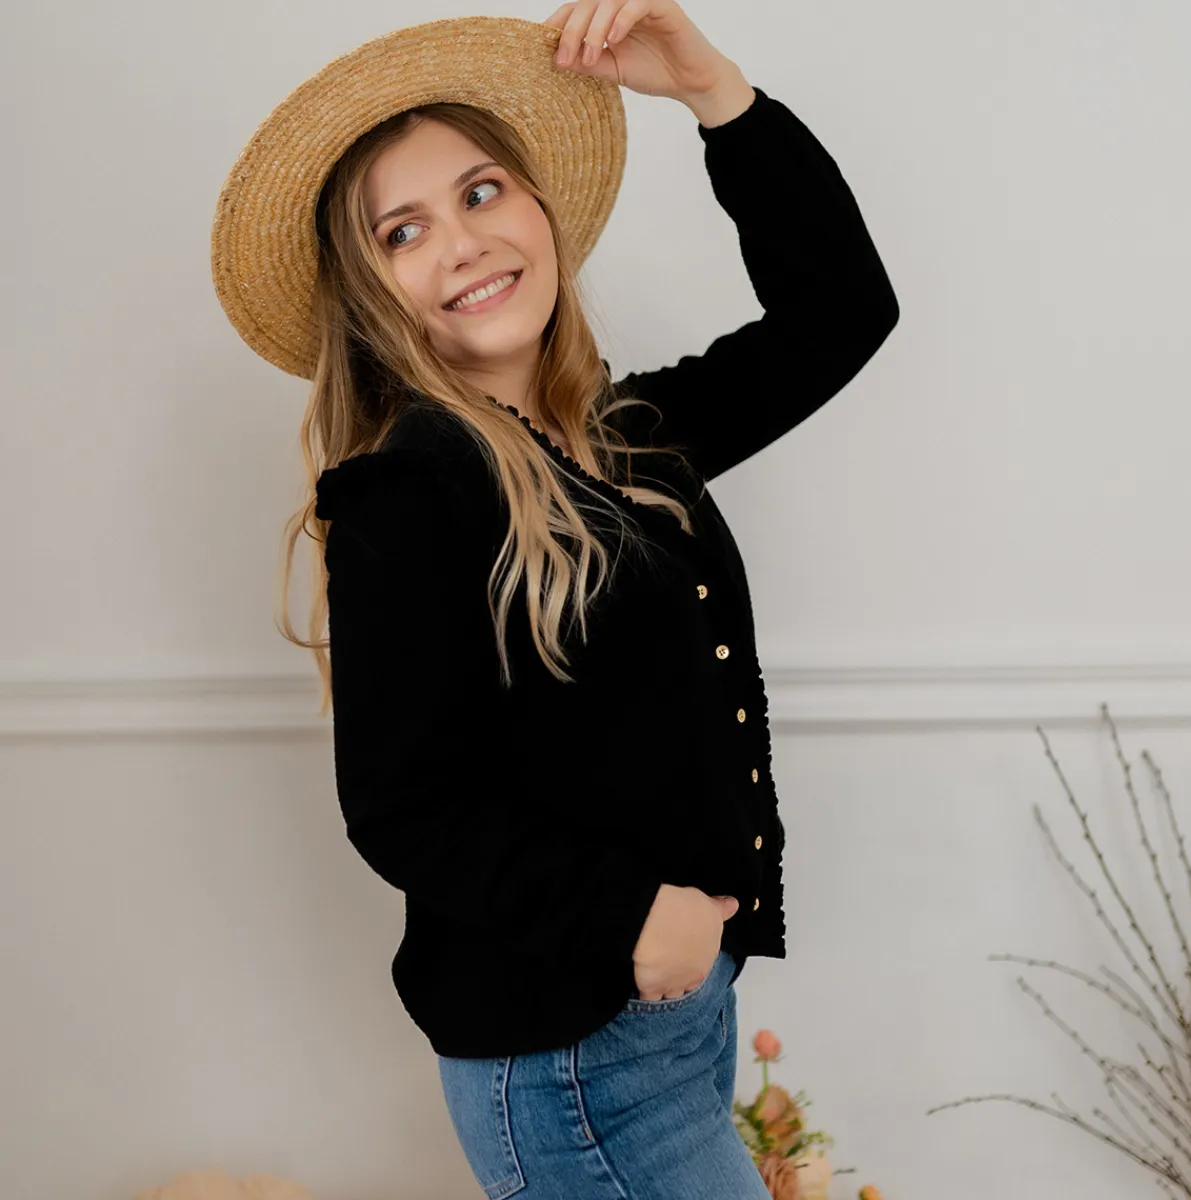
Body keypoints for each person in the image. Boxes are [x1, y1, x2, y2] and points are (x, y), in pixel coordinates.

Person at [210, 4, 899, 1196]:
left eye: (481, 193)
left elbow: (843, 310)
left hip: (674, 1023)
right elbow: (404, 805)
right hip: (575, 1063)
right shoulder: (409, 490)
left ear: (539, 208)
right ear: (371, 294)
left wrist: (713, 91)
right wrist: (634, 914)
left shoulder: (629, 437)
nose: (463, 243)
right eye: (404, 231)